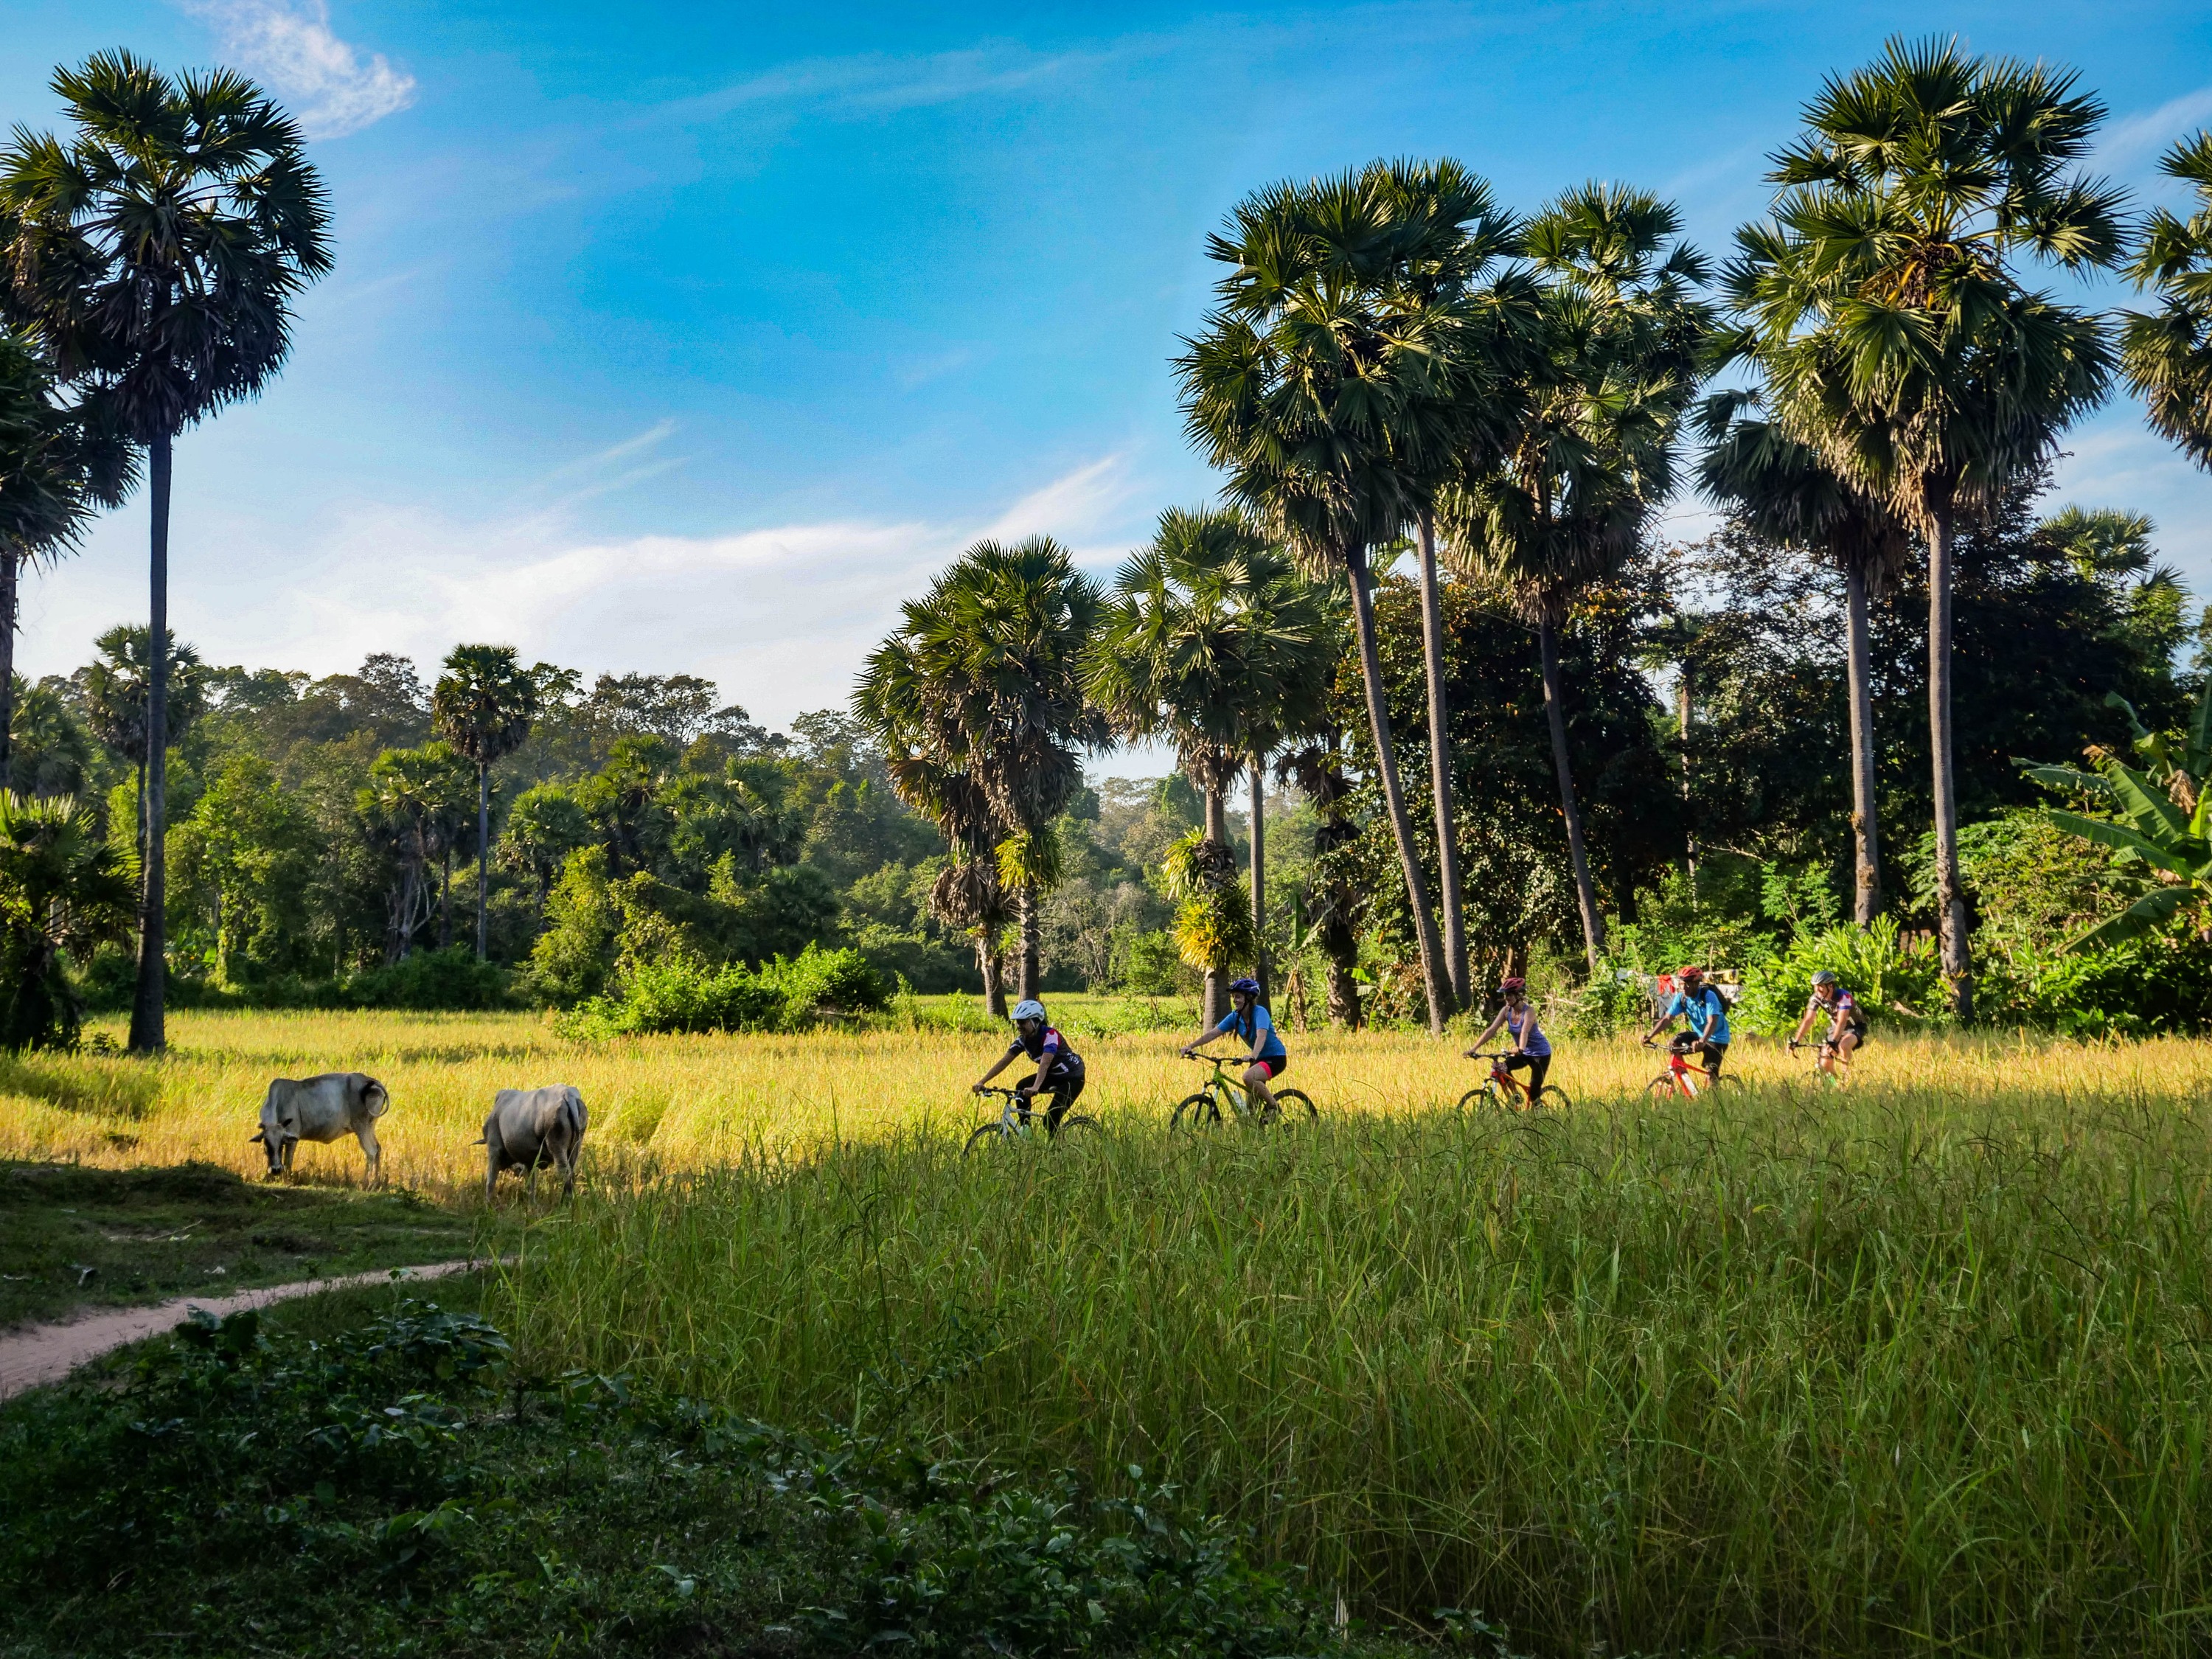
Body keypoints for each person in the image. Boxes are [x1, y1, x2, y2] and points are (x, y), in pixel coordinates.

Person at [1181, 977, 1286, 1115]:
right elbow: (1213, 1033)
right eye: (1233, 997)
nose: (1235, 1000)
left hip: (1275, 1058)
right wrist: (1190, 1046)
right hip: (1257, 1060)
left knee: (1248, 1077)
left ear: (1248, 998)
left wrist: (1253, 1056)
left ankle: (1274, 1107)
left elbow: (1262, 1036)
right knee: (1250, 1110)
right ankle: (1256, 1131)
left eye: (1238, 996)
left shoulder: (1260, 1012)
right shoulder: (1235, 1017)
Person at [973, 998, 1085, 1125]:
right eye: (1017, 1023)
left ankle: (1059, 1145)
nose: (1019, 1026)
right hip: (1054, 1075)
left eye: (1023, 1022)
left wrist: (1035, 1087)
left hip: (1072, 1077)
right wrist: (982, 1081)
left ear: (1035, 1021)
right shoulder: (1022, 1040)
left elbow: (1045, 1064)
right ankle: (1026, 1131)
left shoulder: (1050, 1035)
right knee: (1021, 1087)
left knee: (1050, 1121)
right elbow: (1004, 1062)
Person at [1466, 977, 1552, 1104]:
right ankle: (1516, 1097)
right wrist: (1473, 1049)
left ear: (1519, 995)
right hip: (1523, 1053)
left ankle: (1539, 1113)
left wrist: (1520, 1048)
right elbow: (1491, 1030)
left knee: (1534, 1094)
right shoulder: (1506, 1011)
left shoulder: (1529, 1012)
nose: (1507, 998)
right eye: (1506, 995)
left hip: (1540, 1054)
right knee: (1501, 1068)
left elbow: (1525, 1031)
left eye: (1510, 995)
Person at [1643, 964, 1731, 1086]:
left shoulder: (1709, 996)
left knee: (1711, 1073)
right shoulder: (1682, 998)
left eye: (1688, 984)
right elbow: (1667, 1019)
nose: (1684, 987)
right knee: (1674, 1044)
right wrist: (1650, 1036)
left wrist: (1702, 1041)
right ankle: (1689, 1087)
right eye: (1682, 983)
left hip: (1717, 1038)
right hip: (1699, 1035)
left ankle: (1716, 1101)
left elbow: (1712, 1022)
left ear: (1696, 984)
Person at [1789, 969, 1868, 1079]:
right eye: (1815, 986)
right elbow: (1808, 1020)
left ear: (1830, 986)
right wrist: (1796, 1040)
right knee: (1824, 1061)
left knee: (1843, 1046)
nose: (1817, 990)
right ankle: (1835, 1085)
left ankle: (1849, 1081)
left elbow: (1842, 1021)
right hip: (1836, 1029)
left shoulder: (1844, 996)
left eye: (1820, 986)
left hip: (1855, 1027)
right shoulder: (1816, 998)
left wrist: (1833, 1042)